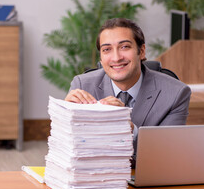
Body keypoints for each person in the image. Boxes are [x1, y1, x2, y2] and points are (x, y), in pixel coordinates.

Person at [64, 18, 191, 167]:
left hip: (150, 180)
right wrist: (65, 118)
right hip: (97, 178)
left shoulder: (176, 93)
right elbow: (69, 150)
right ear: (101, 57)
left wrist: (128, 128)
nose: (116, 58)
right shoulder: (82, 85)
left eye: (124, 47)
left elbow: (169, 154)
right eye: (107, 49)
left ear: (141, 51)